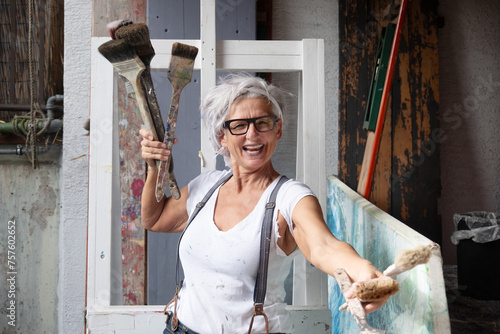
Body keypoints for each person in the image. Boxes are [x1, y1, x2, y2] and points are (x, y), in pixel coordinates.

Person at [140, 73, 389, 334]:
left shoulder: (289, 197)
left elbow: (323, 246)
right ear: (222, 136)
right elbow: (154, 219)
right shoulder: (206, 186)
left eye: (263, 123)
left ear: (278, 129)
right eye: (239, 125)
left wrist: (363, 271)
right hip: (180, 328)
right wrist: (154, 168)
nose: (252, 134)